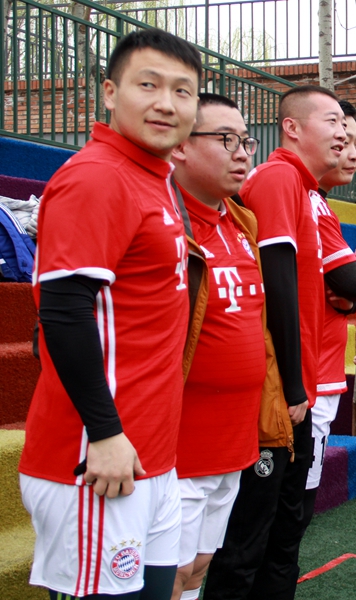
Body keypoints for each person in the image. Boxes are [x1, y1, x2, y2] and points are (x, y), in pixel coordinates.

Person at [19, 29, 201, 599]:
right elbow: (64, 312)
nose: (166, 103)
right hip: (98, 455)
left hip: (150, 452)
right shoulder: (98, 176)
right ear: (108, 91)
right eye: (147, 85)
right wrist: (104, 431)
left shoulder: (153, 177)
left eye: (182, 91)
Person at [204, 84, 346, 600]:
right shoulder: (280, 177)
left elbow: (338, 285)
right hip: (281, 393)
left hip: (298, 384)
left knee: (283, 530)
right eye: (331, 121)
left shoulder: (306, 189)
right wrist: (291, 385)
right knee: (250, 540)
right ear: (292, 127)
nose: (343, 133)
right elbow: (279, 282)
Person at [169, 93, 269, 600]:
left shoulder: (240, 221)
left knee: (201, 564)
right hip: (178, 444)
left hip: (234, 438)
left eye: (246, 140)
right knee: (169, 571)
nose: (243, 152)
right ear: (180, 146)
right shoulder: (165, 221)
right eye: (225, 140)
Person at [296, 99, 356, 548]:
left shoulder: (322, 203)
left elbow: (352, 294)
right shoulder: (294, 194)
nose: (352, 151)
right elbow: (353, 280)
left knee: (295, 518)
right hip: (299, 383)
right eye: (342, 138)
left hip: (320, 377)